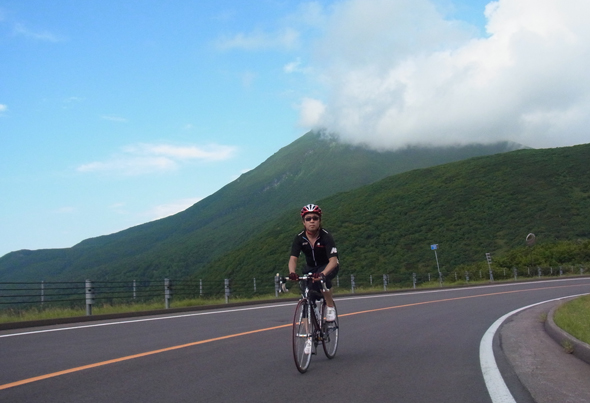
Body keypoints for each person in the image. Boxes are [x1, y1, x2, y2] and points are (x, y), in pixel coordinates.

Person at [288, 204, 339, 321]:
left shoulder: (326, 236)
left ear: (319, 221)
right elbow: (293, 258)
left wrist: (323, 274)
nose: (312, 221)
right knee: (306, 295)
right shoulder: (300, 238)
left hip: (328, 265)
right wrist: (292, 272)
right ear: (303, 222)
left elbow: (333, 260)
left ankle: (330, 306)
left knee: (322, 281)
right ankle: (309, 338)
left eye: (315, 218)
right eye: (308, 219)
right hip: (311, 268)